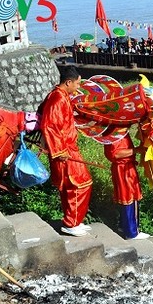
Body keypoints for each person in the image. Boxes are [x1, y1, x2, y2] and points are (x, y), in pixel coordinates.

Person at [40, 66, 93, 237]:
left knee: (71, 186)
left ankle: (74, 220)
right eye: (77, 84)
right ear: (68, 82)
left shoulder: (62, 96)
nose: (78, 87)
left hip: (69, 148)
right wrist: (59, 150)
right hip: (64, 151)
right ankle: (71, 223)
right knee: (80, 183)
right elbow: (50, 126)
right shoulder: (57, 99)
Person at [103, 135, 149, 240]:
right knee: (129, 197)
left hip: (124, 167)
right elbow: (115, 153)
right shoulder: (115, 133)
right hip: (124, 169)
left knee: (126, 197)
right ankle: (132, 232)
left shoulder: (117, 131)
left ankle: (123, 226)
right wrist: (136, 150)